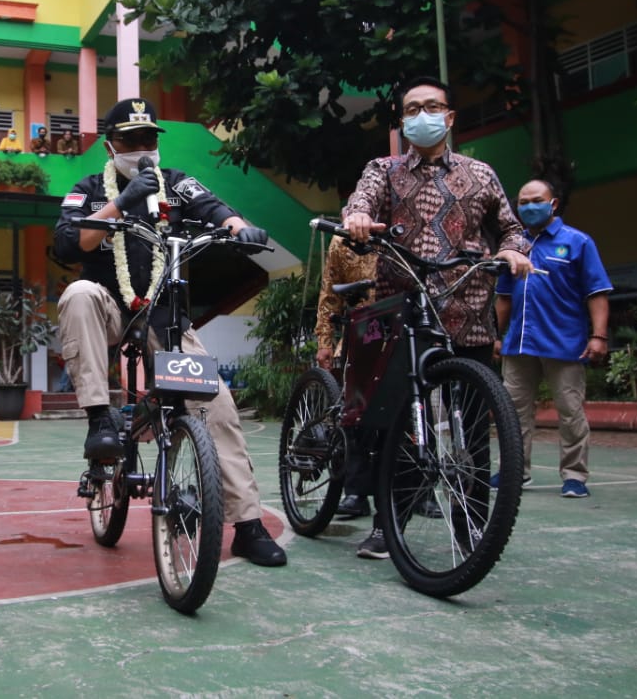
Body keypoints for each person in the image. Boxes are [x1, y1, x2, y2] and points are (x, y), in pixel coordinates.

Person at [54, 97, 287, 567]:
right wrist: (122, 202)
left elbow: (218, 209)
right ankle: (101, 419)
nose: (142, 148)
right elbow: (68, 242)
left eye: (149, 139)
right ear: (110, 145)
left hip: (165, 315)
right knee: (78, 292)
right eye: (130, 140)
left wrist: (241, 228)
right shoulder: (87, 189)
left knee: (217, 408)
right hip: (109, 308)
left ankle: (246, 524)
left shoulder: (176, 184)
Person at [342, 75, 532, 559]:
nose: (422, 115)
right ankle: (390, 524)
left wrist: (512, 252)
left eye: (432, 106)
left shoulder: (481, 174)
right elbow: (358, 204)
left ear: (449, 116)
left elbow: (512, 228)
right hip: (404, 318)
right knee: (401, 426)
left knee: (473, 430)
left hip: (468, 314)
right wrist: (358, 220)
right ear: (403, 120)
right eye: (411, 109)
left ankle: (475, 529)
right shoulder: (382, 171)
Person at [495, 179, 612, 499]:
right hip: (519, 343)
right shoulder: (513, 247)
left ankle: (574, 475)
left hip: (564, 343)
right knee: (512, 413)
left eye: (536, 200)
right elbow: (503, 298)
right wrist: (495, 335)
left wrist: (598, 336)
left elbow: (597, 293)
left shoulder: (577, 242)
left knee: (570, 411)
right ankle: (515, 471)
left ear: (553, 204)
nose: (529, 207)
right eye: (522, 202)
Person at [313, 234, 378, 520]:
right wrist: (325, 342)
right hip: (360, 334)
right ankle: (356, 492)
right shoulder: (342, 240)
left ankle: (418, 491)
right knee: (355, 416)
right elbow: (329, 294)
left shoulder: (413, 223)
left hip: (405, 329)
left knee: (414, 414)